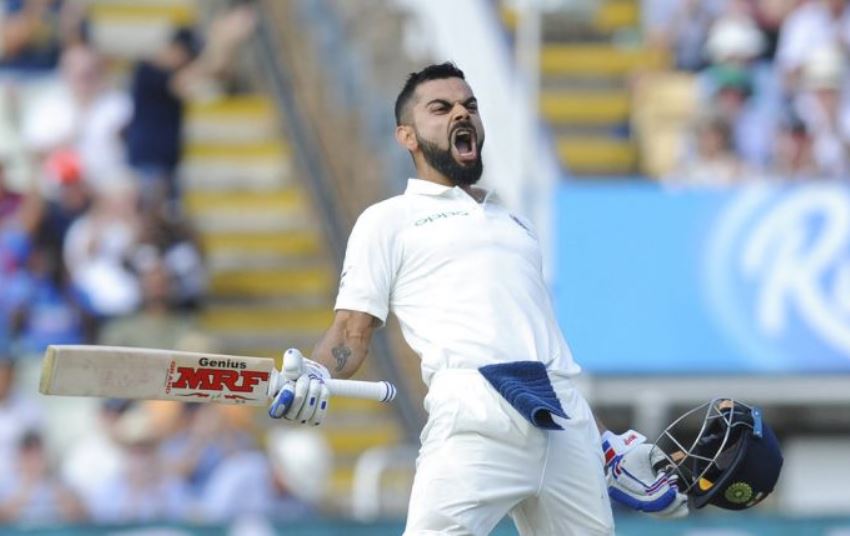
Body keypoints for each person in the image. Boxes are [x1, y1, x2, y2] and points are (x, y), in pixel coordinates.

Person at [268, 63, 686, 535]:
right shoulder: (388, 220)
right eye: (440, 108)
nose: (460, 114)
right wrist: (318, 371)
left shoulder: (515, 223)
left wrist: (603, 441)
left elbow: (542, 347)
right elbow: (351, 332)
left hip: (563, 418)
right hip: (474, 412)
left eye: (469, 105)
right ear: (407, 136)